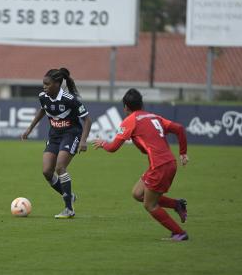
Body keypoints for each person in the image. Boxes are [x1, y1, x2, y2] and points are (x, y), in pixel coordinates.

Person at [93, 88, 189, 241]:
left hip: (160, 166)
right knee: (138, 193)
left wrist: (103, 143)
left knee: (149, 205)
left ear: (125, 107)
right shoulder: (154, 116)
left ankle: (179, 233)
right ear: (141, 104)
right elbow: (179, 129)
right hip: (167, 162)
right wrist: (183, 153)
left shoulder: (129, 121)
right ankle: (177, 204)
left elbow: (113, 148)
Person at [22, 68, 92, 219]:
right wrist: (30, 128)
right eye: (43, 84)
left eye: (47, 84)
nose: (44, 87)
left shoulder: (70, 99)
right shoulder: (43, 96)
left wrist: (83, 140)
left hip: (71, 134)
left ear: (57, 84)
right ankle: (70, 195)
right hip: (54, 135)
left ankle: (68, 208)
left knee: (60, 167)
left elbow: (87, 119)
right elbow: (43, 110)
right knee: (47, 171)